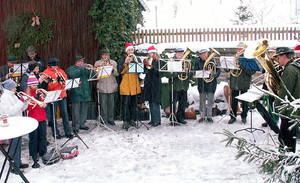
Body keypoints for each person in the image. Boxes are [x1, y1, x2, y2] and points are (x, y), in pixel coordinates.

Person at [273, 47, 300, 153]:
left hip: (289, 110)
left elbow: (285, 91)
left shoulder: (289, 70)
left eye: (278, 57)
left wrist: (277, 102)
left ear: (284, 56)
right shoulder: (295, 66)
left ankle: (285, 162)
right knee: (290, 138)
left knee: (285, 139)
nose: (277, 60)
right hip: (294, 108)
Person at [0, 79, 29, 173]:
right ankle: (13, 166)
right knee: (14, 145)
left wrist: (25, 102)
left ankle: (18, 162)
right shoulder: (4, 98)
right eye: (14, 86)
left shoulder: (13, 96)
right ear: (9, 88)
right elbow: (11, 111)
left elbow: (21, 108)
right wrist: (21, 102)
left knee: (19, 144)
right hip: (12, 124)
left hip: (18, 122)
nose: (16, 88)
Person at [43, 58, 73, 139]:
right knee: (53, 115)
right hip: (53, 96)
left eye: (57, 65)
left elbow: (66, 81)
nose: (56, 67)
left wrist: (64, 83)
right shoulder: (46, 73)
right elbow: (48, 87)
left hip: (62, 95)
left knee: (65, 114)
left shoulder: (61, 71)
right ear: (50, 66)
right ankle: (55, 133)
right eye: (54, 66)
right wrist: (57, 82)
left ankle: (68, 132)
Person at [227, 42, 256, 124]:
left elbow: (252, 71)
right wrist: (228, 66)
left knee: (244, 101)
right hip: (234, 82)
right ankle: (233, 116)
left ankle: (244, 116)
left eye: (240, 49)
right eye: (238, 49)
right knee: (234, 100)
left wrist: (245, 68)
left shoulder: (248, 58)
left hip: (244, 82)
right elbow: (228, 69)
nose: (238, 50)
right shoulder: (234, 58)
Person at [24, 73, 47, 168]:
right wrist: (35, 99)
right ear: (30, 85)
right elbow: (28, 108)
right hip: (33, 118)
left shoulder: (39, 91)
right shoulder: (26, 94)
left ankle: (43, 151)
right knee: (33, 138)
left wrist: (43, 100)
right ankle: (34, 153)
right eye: (33, 85)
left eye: (36, 84)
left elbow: (45, 105)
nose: (35, 86)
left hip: (42, 116)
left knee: (42, 136)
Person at [117, 43, 142, 130]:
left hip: (134, 85)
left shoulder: (137, 59)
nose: (130, 51)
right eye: (129, 50)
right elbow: (119, 71)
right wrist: (125, 63)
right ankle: (125, 121)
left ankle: (132, 120)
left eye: (131, 50)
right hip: (125, 86)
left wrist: (136, 62)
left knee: (133, 104)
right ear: (126, 51)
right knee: (125, 105)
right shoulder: (122, 59)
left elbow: (141, 71)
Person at [66, 53, 92, 134]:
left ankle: (82, 124)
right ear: (77, 62)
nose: (82, 62)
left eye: (82, 61)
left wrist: (92, 70)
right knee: (76, 111)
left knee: (84, 110)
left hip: (85, 92)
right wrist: (81, 69)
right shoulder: (71, 69)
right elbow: (72, 75)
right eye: (81, 61)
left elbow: (93, 75)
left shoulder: (85, 69)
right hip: (76, 93)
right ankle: (76, 126)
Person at [167, 48, 192, 125]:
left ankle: (180, 117)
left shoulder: (186, 62)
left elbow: (190, 72)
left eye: (181, 53)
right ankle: (173, 118)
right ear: (176, 54)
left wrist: (189, 74)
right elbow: (168, 75)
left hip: (184, 86)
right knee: (173, 103)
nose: (180, 55)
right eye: (178, 53)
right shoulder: (171, 62)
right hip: (174, 86)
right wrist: (176, 73)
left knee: (182, 103)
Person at [195, 49, 221, 123]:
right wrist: (202, 72)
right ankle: (202, 116)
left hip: (211, 84)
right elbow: (195, 72)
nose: (205, 56)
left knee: (210, 101)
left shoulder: (213, 61)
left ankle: (209, 116)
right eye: (202, 54)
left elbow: (218, 71)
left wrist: (213, 74)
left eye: (205, 54)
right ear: (200, 55)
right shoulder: (197, 62)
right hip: (202, 84)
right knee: (202, 101)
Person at [94, 48, 119, 126]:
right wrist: (99, 67)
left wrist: (112, 70)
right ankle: (104, 119)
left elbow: (117, 74)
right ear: (102, 55)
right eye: (104, 55)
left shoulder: (113, 62)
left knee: (111, 104)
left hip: (112, 86)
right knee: (103, 104)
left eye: (107, 55)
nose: (106, 56)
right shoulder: (97, 63)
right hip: (102, 86)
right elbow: (95, 74)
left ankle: (110, 119)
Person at [142, 45, 162, 127]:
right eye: (149, 53)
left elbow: (159, 72)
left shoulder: (159, 61)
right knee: (150, 101)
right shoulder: (148, 60)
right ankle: (153, 119)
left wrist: (152, 67)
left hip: (156, 83)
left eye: (152, 53)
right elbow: (144, 72)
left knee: (155, 102)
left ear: (155, 53)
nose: (150, 54)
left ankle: (157, 120)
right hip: (149, 83)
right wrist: (144, 65)